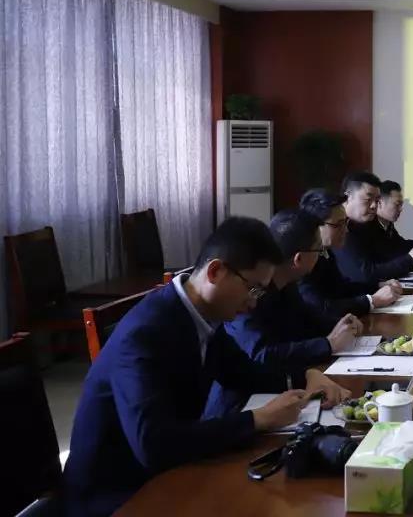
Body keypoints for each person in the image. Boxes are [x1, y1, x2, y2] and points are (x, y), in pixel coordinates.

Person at [63, 217, 345, 517]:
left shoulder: (201, 314)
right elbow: (153, 444)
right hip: (116, 495)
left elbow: (242, 371)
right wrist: (257, 419)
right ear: (215, 272)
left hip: (169, 473)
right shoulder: (145, 332)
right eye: (253, 289)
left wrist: (305, 375)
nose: (254, 303)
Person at [208, 209, 359, 416]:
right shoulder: (249, 292)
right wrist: (328, 344)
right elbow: (261, 355)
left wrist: (341, 324)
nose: (252, 301)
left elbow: (307, 318)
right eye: (319, 250)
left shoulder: (285, 283)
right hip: (242, 405)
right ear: (298, 259)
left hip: (278, 390)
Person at [297, 188, 401, 322]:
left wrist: (378, 286)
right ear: (315, 226)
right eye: (338, 224)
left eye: (345, 222)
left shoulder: (325, 251)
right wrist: (373, 300)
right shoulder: (302, 259)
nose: (345, 230)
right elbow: (322, 308)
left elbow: (341, 288)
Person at [337, 170, 413, 293]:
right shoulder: (338, 227)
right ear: (348, 196)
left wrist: (378, 284)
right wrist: (410, 260)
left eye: (376, 200)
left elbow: (390, 251)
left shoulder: (363, 224)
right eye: (368, 199)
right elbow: (364, 273)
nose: (374, 206)